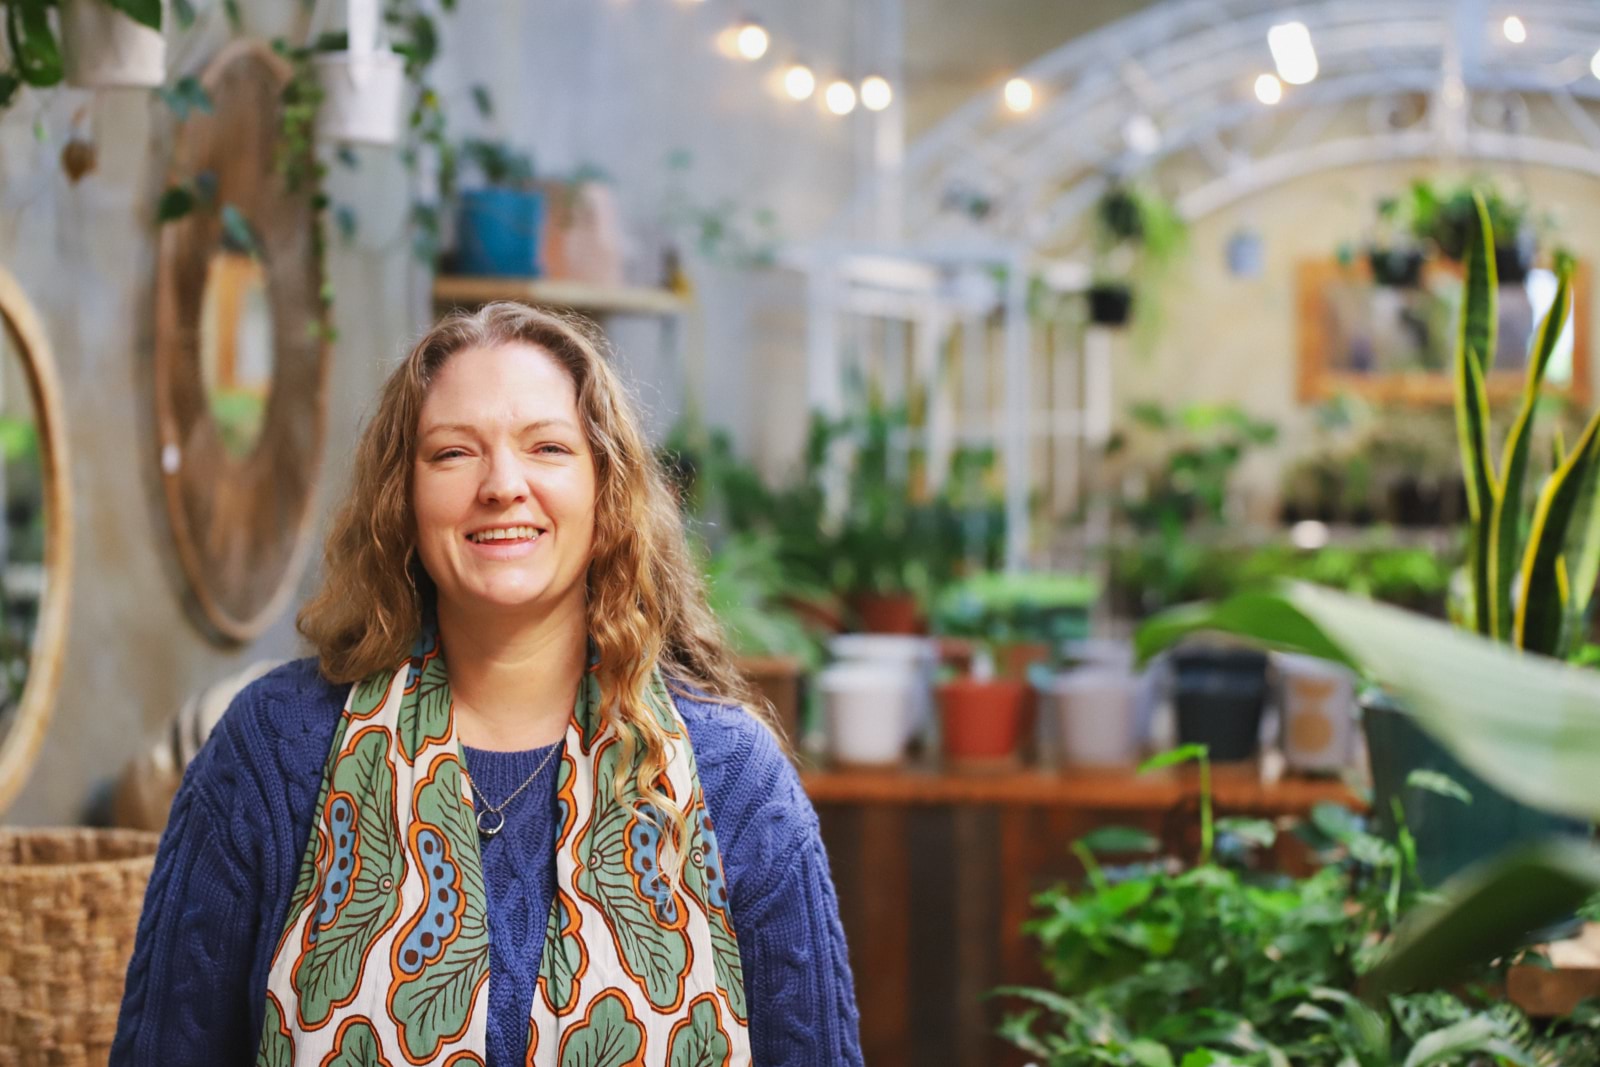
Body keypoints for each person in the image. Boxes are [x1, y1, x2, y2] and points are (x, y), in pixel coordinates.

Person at [112, 303, 863, 1066]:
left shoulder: (733, 781)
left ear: (607, 493)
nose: (503, 484)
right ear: (400, 499)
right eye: (452, 453)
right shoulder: (274, 754)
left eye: (546, 446)